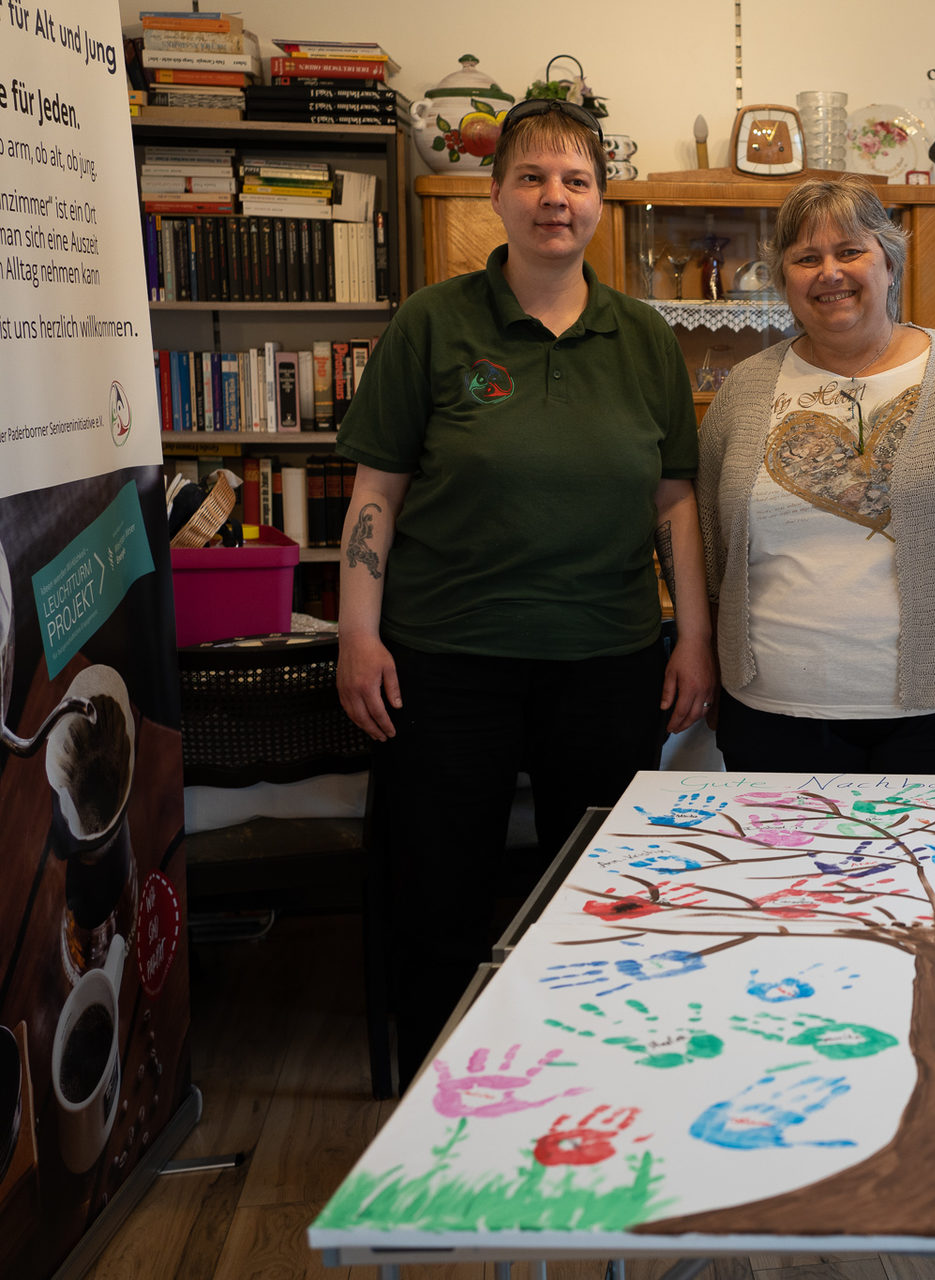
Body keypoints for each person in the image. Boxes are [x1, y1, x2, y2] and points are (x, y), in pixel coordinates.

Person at [333, 97, 714, 1080]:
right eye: (533, 177)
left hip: (607, 660)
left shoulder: (644, 337)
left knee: (601, 897)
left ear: (600, 203)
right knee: (438, 895)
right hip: (444, 663)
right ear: (496, 195)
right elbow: (376, 490)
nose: (555, 197)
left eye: (576, 180)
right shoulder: (432, 323)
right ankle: (439, 1092)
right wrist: (356, 635)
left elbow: (675, 502)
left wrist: (694, 638)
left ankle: (590, 1080)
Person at [698, 176, 935, 774]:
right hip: (774, 718)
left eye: (850, 251)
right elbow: (709, 551)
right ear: (783, 277)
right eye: (806, 258)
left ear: (890, 262)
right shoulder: (742, 391)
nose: (829, 273)